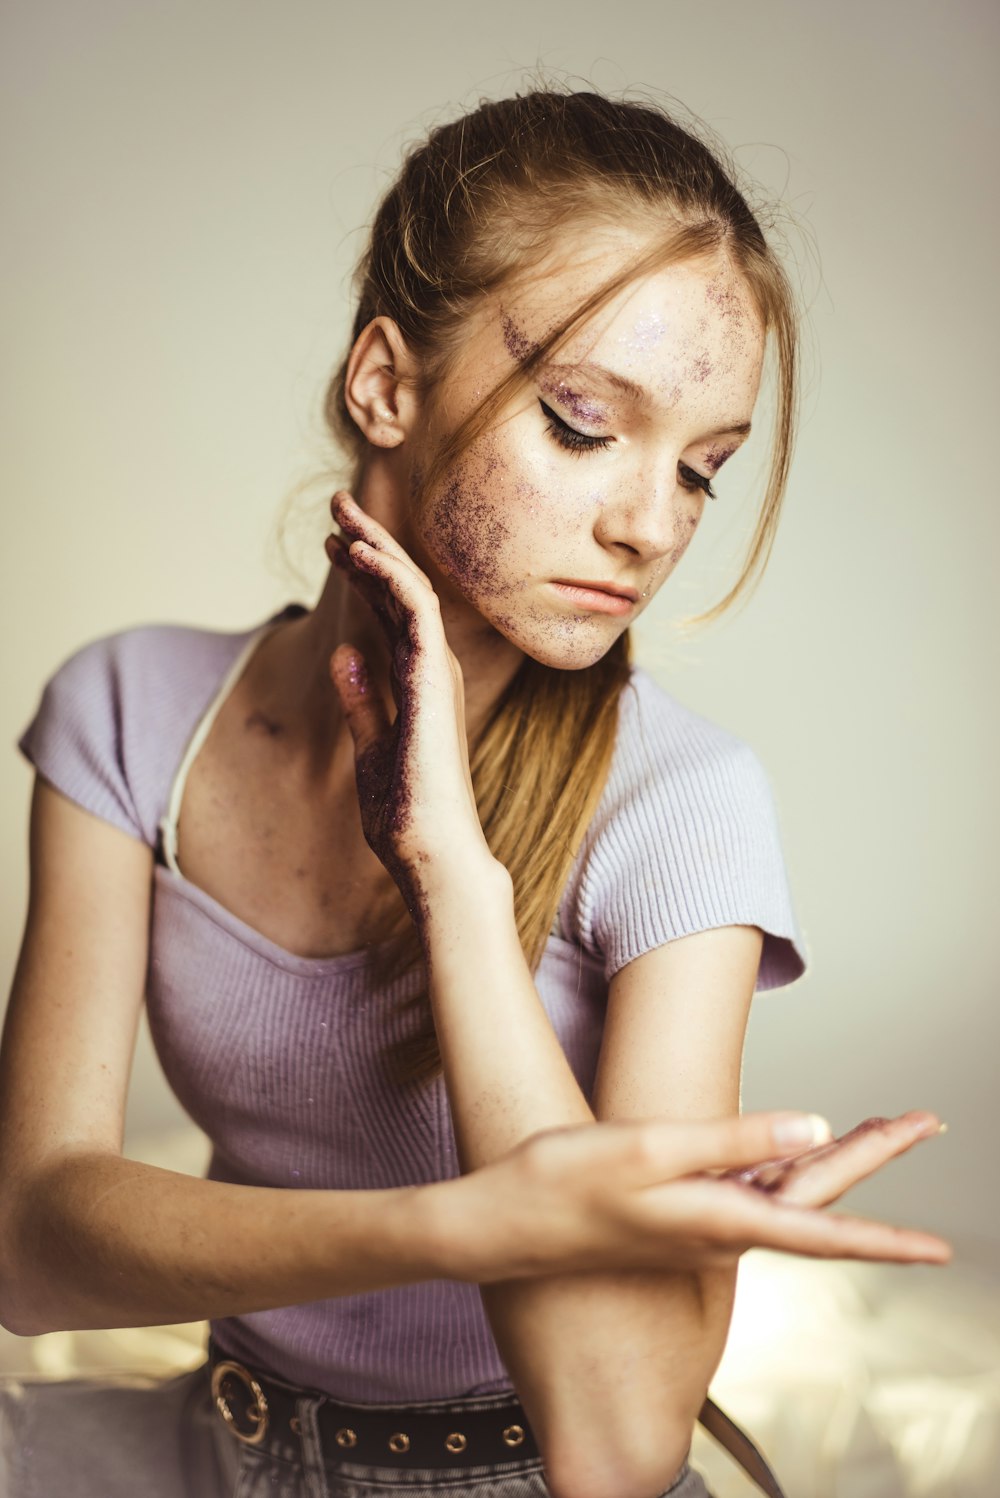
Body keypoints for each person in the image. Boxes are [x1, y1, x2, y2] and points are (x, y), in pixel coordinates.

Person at [0, 85, 949, 1498]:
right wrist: (473, 1222)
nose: (648, 525)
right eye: (581, 423)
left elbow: (618, 1441)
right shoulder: (130, 714)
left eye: (701, 471)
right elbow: (31, 1247)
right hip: (216, 1439)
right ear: (385, 383)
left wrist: (451, 869)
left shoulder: (686, 801)